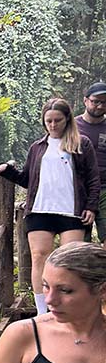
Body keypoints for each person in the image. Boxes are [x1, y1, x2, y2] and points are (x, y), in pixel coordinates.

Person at [0, 97, 100, 315]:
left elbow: (93, 179)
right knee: (39, 257)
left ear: (67, 119)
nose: (53, 125)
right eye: (48, 121)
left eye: (57, 120)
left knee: (70, 260)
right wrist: (6, 170)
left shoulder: (81, 143)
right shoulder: (38, 147)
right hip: (40, 210)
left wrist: (91, 207)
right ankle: (42, 311)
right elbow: (28, 179)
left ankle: (69, 309)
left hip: (72, 211)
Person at [76, 82, 106, 244]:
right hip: (79, 190)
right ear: (86, 101)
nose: (100, 106)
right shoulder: (71, 126)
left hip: (104, 188)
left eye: (104, 102)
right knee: (79, 242)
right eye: (96, 101)